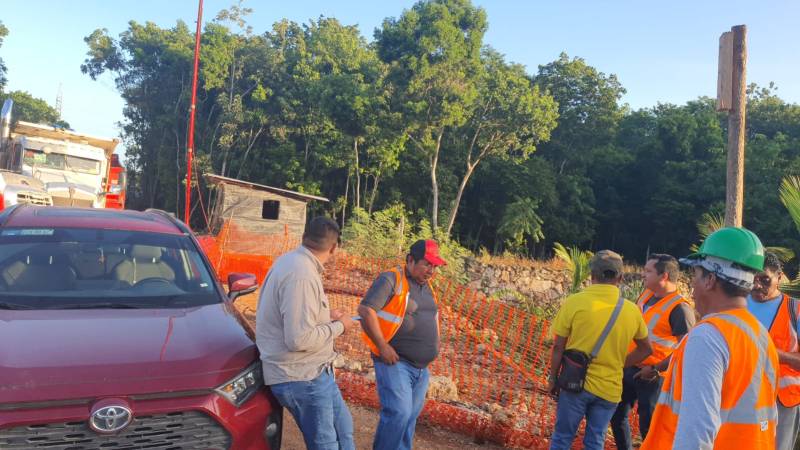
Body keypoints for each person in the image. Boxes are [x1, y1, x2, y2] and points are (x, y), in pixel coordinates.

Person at [642, 227, 779, 450]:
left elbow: (697, 432)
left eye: (695, 276)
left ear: (710, 280)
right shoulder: (760, 333)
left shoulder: (708, 335)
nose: (692, 286)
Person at [256, 217, 357, 450]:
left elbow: (293, 315)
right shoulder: (301, 274)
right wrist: (341, 326)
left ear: (304, 237)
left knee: (344, 432)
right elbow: (299, 339)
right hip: (301, 375)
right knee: (326, 444)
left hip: (316, 370)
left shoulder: (294, 262)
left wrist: (325, 315)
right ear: (334, 247)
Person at [547, 250, 653, 450]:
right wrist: (619, 363)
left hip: (574, 384)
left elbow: (558, 346)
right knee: (595, 441)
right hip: (610, 389)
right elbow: (646, 349)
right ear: (620, 278)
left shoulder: (575, 302)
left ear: (591, 275)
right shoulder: (631, 311)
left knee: (562, 438)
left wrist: (553, 378)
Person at [357, 239, 446, 450]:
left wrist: (435, 344)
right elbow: (365, 310)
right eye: (427, 264)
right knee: (399, 413)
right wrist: (382, 346)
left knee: (409, 419)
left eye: (434, 266)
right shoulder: (391, 279)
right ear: (410, 260)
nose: (431, 270)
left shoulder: (427, 286)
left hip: (421, 368)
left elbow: (433, 315)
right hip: (396, 362)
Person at [611, 254, 695, 449]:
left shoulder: (680, 308)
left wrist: (656, 369)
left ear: (663, 276)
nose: (643, 274)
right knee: (617, 416)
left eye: (648, 271)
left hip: (655, 377)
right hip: (631, 367)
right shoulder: (646, 295)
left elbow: (686, 349)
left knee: (650, 428)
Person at [747, 252, 800, 450]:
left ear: (779, 276)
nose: (757, 285)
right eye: (752, 279)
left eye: (764, 279)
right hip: (741, 395)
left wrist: (779, 355)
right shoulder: (738, 304)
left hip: (782, 401)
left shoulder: (795, 310)